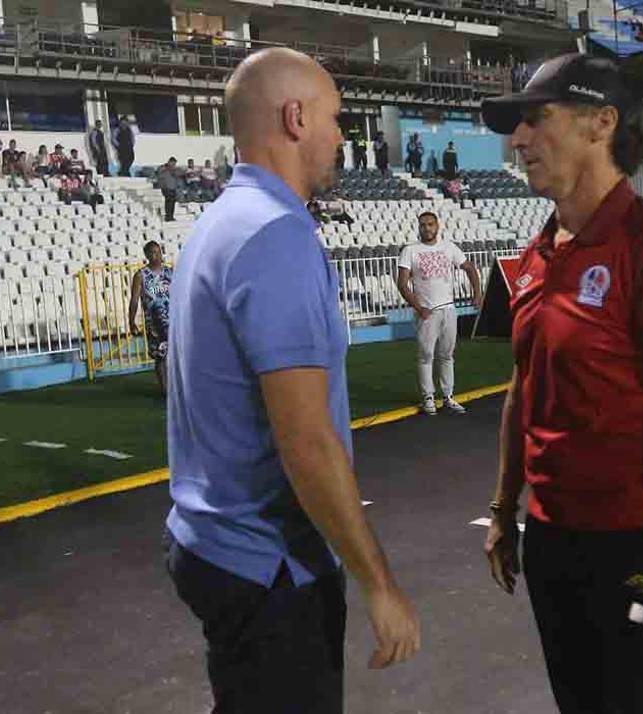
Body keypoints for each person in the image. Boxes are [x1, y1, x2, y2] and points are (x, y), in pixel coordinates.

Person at [479, 53, 643, 714]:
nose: (518, 141)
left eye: (536, 120)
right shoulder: (540, 250)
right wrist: (506, 509)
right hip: (553, 542)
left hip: (639, 545)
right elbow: (524, 386)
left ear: (601, 123)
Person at [164, 47, 420, 713]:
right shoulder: (277, 236)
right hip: (268, 565)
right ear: (296, 117)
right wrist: (379, 583)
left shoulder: (219, 223)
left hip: (212, 542)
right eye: (337, 119)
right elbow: (306, 442)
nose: (344, 137)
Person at [396, 211, 482, 416]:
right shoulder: (410, 250)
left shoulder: (449, 247)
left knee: (447, 355)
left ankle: (448, 396)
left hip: (448, 309)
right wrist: (419, 307)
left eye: (430, 224)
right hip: (427, 312)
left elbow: (469, 267)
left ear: (437, 226)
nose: (427, 228)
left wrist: (477, 293)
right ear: (419, 227)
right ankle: (428, 397)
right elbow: (402, 284)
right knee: (426, 355)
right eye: (423, 225)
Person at [128, 241, 173, 396]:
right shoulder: (141, 276)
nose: (157, 255)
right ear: (147, 255)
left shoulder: (169, 272)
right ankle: (165, 390)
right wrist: (131, 321)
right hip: (155, 323)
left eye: (158, 252)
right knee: (160, 355)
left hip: (173, 320)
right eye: (153, 252)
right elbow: (134, 300)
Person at [156, 157, 179, 221]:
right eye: (173, 163)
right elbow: (159, 174)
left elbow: (179, 174)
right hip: (165, 187)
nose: (174, 164)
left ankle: (171, 216)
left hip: (172, 187)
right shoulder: (163, 168)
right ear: (169, 162)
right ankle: (168, 216)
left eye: (175, 163)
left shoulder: (174, 170)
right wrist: (168, 169)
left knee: (172, 202)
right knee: (168, 202)